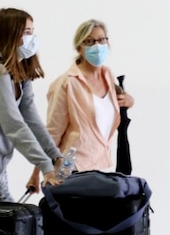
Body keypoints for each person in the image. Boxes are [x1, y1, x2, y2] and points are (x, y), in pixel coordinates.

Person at [0, 7, 63, 201]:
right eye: (27, 32)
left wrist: (55, 156)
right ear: (11, 35)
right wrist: (45, 166)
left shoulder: (18, 75)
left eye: (32, 32)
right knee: (13, 224)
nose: (32, 38)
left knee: (12, 224)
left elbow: (32, 121)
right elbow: (13, 124)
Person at [27, 19, 134, 190]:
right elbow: (52, 133)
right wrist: (36, 173)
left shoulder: (108, 76)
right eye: (89, 41)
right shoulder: (66, 84)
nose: (97, 46)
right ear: (79, 48)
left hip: (99, 166)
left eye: (101, 40)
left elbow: (107, 112)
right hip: (72, 169)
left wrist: (129, 101)